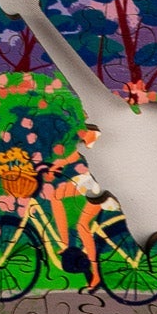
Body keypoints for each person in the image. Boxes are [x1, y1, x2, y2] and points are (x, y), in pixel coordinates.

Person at [37, 123, 107, 289]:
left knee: (82, 226)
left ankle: (96, 273)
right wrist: (58, 164)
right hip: (91, 180)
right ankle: (65, 244)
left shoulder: (99, 134)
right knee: (56, 196)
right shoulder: (91, 135)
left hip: (104, 184)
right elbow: (77, 154)